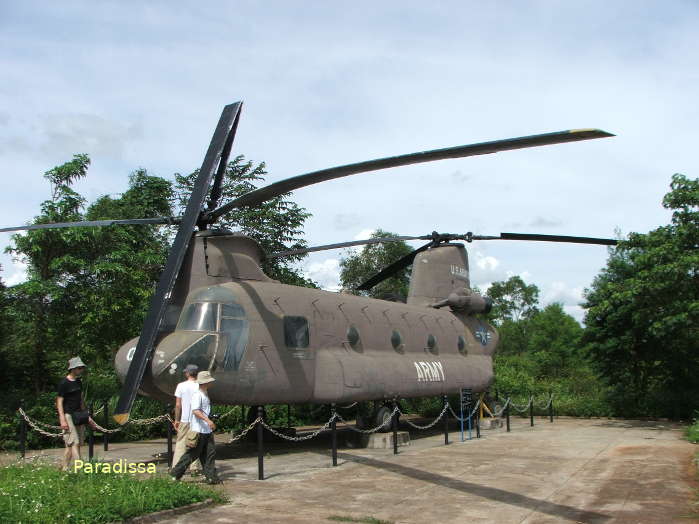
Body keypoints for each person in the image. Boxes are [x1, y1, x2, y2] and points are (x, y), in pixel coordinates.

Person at [170, 371, 221, 484]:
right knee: (192, 454)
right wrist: (208, 420)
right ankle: (175, 474)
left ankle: (211, 476)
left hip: (206, 430)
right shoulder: (198, 395)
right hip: (199, 430)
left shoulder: (205, 394)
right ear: (205, 382)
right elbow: (195, 411)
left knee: (209, 454)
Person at [56, 356, 97, 470]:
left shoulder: (78, 382)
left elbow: (81, 399)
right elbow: (59, 401)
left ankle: (63, 468)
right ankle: (80, 467)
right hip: (68, 415)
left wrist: (87, 416)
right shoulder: (64, 383)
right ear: (73, 369)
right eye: (79, 368)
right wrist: (62, 419)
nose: (81, 370)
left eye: (82, 367)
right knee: (74, 442)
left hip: (78, 414)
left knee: (72, 444)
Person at [171, 364, 201, 475]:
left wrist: (176, 419)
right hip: (197, 419)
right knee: (194, 443)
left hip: (185, 418)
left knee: (181, 443)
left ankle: (176, 467)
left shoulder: (181, 386)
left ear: (188, 373)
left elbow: (178, 405)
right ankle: (194, 468)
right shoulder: (200, 386)